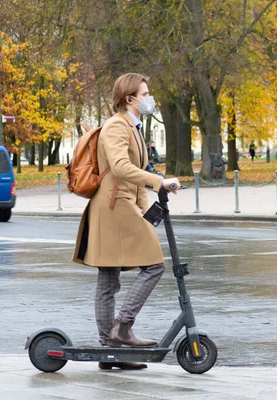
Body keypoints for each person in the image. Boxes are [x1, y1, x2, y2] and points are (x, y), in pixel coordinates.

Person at [72, 73, 181, 371]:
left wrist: (147, 211)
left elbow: (136, 170)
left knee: (109, 277)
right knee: (154, 266)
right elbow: (121, 168)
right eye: (145, 93)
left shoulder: (133, 127)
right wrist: (160, 181)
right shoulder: (117, 126)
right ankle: (122, 328)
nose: (150, 98)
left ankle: (110, 351)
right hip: (113, 207)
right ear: (129, 98)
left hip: (121, 206)